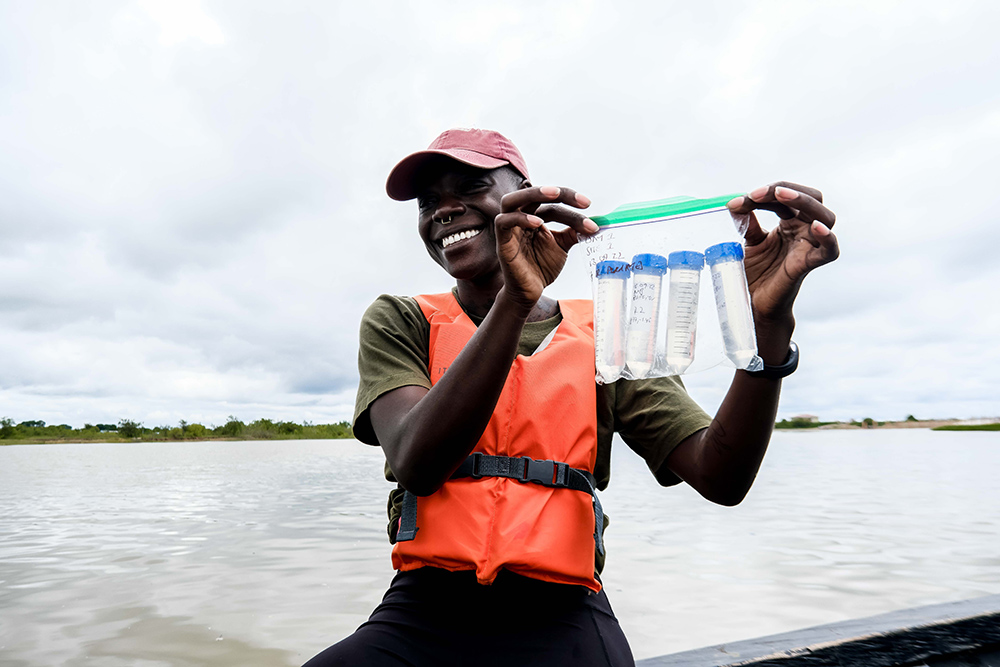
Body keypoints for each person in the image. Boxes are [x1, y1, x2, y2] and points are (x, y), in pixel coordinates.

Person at [303, 128, 839, 666]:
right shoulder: (399, 319)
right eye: (429, 203)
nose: (443, 210)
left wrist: (769, 327)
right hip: (423, 609)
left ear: (525, 198)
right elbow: (417, 463)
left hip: (565, 613)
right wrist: (516, 299)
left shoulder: (604, 332)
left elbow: (721, 477)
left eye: (469, 187)